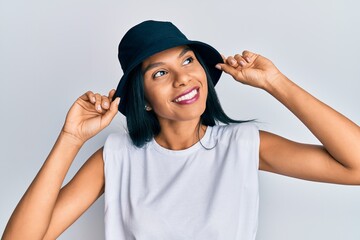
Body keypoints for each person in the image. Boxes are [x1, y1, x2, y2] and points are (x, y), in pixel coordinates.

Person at [2, 20, 360, 240]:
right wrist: (70, 139)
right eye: (160, 72)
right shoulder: (115, 159)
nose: (183, 78)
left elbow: (355, 166)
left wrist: (276, 83)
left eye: (188, 60)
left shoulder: (242, 146)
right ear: (142, 98)